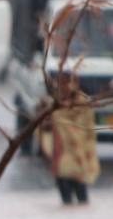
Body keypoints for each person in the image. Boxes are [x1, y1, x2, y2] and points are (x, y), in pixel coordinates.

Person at [40, 73, 99, 205]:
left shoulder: (82, 105)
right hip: (62, 159)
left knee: (81, 196)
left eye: (67, 83)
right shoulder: (54, 104)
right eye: (61, 83)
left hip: (78, 159)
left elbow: (87, 130)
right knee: (67, 197)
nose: (64, 87)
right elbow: (46, 130)